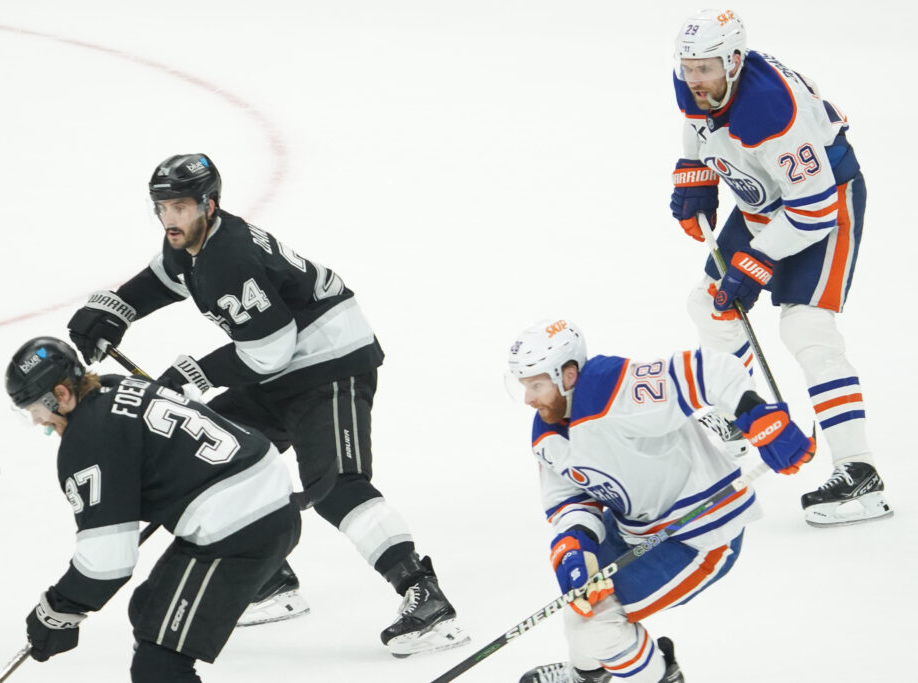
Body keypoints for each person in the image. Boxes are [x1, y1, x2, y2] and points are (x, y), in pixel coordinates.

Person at [64, 153, 467, 656]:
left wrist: (196, 374)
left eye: (181, 206)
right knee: (205, 456)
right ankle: (271, 579)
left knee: (338, 486)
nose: (169, 218)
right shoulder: (194, 243)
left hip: (329, 363)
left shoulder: (228, 258)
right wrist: (117, 309)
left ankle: (425, 598)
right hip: (280, 367)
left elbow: (270, 351)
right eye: (162, 206)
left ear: (209, 205)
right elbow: (165, 278)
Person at [669, 9, 892, 527]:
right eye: (688, 66)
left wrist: (757, 261)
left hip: (824, 204)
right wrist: (695, 173)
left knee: (806, 325)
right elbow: (698, 122)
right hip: (766, 201)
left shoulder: (771, 111)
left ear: (734, 61)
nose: (695, 79)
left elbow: (813, 210)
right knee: (709, 304)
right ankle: (740, 420)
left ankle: (860, 472)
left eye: (706, 68)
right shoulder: (701, 84)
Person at [507, 319, 815, 683]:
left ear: (569, 375)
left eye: (537, 385)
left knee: (597, 627)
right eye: (525, 387)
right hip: (633, 528)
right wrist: (575, 547)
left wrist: (760, 417)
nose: (528, 399)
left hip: (698, 535)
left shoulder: (613, 388)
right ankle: (587, 676)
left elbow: (709, 370)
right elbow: (571, 499)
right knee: (581, 607)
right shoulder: (548, 429)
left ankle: (661, 677)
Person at [4, 336, 301, 682]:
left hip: (238, 528)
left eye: (35, 411)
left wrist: (58, 610)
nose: (39, 422)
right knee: (149, 608)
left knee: (157, 669)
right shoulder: (115, 386)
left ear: (62, 394)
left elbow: (108, 561)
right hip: (262, 496)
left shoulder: (86, 440)